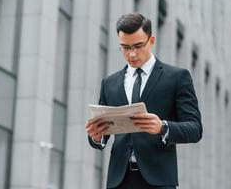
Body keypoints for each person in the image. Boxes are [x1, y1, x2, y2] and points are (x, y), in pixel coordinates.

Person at [85, 13, 202, 189]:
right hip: (119, 181)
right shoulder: (109, 83)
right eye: (125, 47)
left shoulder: (177, 77)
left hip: (159, 181)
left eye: (138, 46)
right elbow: (104, 135)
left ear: (151, 40)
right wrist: (97, 137)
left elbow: (195, 129)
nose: (131, 54)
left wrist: (163, 127)